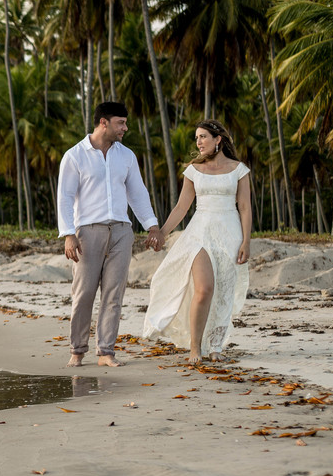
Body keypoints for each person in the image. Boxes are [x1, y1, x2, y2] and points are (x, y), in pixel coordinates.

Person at [57, 102, 164, 368]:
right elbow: (65, 197)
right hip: (87, 233)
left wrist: (152, 226)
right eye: (121, 123)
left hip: (121, 232)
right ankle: (77, 350)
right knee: (83, 294)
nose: (125, 128)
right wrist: (68, 234)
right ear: (103, 123)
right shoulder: (74, 156)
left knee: (113, 295)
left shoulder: (126, 156)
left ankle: (106, 352)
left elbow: (137, 193)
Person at [142, 119, 252, 365]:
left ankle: (216, 347)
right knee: (204, 290)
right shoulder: (193, 170)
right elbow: (182, 207)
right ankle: (195, 347)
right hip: (199, 232)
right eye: (196, 138)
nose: (199, 142)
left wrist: (246, 241)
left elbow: (245, 207)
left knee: (223, 292)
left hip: (230, 233)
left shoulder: (239, 170)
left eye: (203, 137)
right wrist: (162, 233)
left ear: (218, 139)